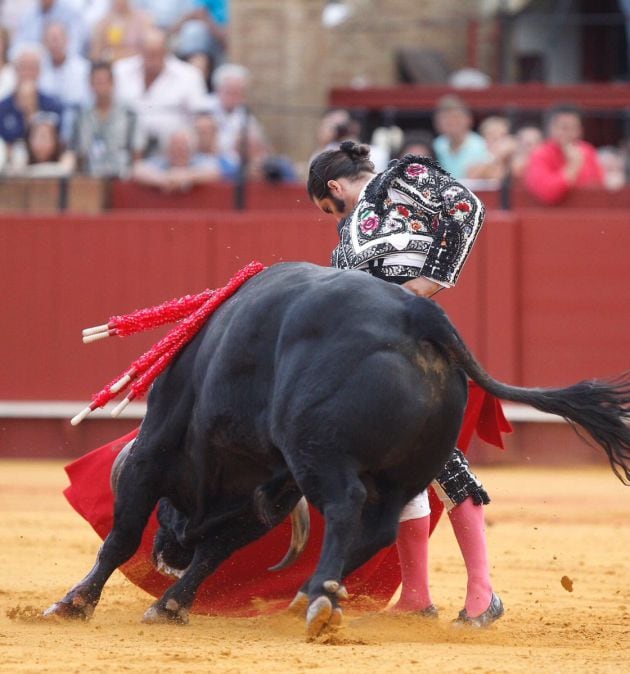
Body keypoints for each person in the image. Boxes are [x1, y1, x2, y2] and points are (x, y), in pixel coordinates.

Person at [306, 140, 503, 628]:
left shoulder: (403, 178)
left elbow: (468, 208)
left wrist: (432, 280)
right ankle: (416, 595)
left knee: (441, 461)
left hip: (419, 344)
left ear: (333, 186)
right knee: (396, 471)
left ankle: (483, 591)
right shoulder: (343, 238)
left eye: (327, 205)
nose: (331, 214)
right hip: (371, 364)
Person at [113, 28, 207, 155]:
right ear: (140, 50)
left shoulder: (189, 75)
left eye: (156, 54)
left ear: (166, 51)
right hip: (126, 147)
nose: (151, 61)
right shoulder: (120, 71)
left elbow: (200, 118)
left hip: (173, 153)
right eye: (148, 54)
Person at [73, 61, 143, 177]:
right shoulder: (81, 116)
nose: (101, 87)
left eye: (104, 81)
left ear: (112, 83)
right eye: (97, 82)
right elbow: (78, 154)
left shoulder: (128, 114)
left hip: (122, 176)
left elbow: (136, 151)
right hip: (91, 177)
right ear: (90, 84)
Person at [523, 104, 604, 205]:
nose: (570, 133)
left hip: (585, 213)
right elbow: (548, 193)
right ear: (551, 129)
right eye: (564, 128)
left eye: (574, 128)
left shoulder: (587, 151)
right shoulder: (540, 154)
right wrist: (573, 165)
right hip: (551, 216)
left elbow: (599, 187)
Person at [131, 126, 232, 191]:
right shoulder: (162, 162)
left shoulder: (199, 160)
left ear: (191, 150)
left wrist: (186, 177)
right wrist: (163, 180)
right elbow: (137, 169)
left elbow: (215, 170)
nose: (179, 152)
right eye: (175, 148)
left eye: (183, 148)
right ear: (167, 150)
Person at [432, 94, 491, 180]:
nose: (451, 122)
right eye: (445, 118)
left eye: (455, 117)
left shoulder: (482, 145)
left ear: (468, 119)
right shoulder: (436, 145)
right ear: (437, 122)